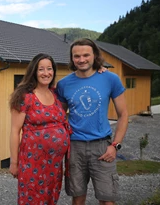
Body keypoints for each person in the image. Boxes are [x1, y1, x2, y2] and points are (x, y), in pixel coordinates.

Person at [56, 38, 129, 205]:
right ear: (72, 58)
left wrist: (115, 145)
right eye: (77, 56)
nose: (81, 60)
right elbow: (58, 116)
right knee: (78, 197)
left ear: (94, 55)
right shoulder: (64, 84)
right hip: (74, 147)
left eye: (86, 55)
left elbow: (123, 115)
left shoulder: (110, 79)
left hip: (102, 147)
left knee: (107, 199)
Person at [9, 53, 72, 205]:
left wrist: (98, 68)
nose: (46, 73)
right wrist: (14, 163)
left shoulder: (55, 93)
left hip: (54, 164)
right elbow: (15, 131)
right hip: (33, 162)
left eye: (49, 69)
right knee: (32, 197)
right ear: (34, 72)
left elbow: (80, 78)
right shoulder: (25, 96)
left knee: (50, 197)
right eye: (41, 69)